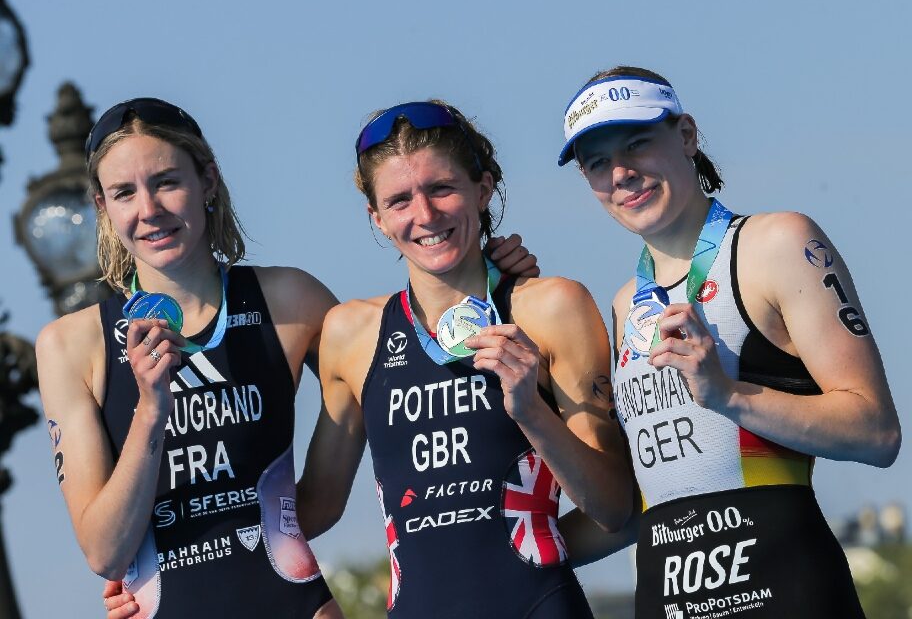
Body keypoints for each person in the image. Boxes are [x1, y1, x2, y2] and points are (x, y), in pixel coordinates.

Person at [42, 98, 535, 619]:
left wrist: (492, 282)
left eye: (167, 181)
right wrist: (151, 410)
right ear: (102, 206)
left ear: (208, 180)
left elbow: (428, 377)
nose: (149, 209)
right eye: (124, 193)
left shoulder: (291, 301)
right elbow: (104, 551)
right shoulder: (73, 344)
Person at [558, 67, 902, 617]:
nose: (621, 172)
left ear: (687, 136)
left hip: (784, 596)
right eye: (598, 162)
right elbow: (645, 505)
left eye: (638, 143)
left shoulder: (778, 242)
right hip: (666, 601)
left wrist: (727, 394)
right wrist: (498, 552)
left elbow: (878, 432)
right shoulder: (628, 303)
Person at [294, 100, 633, 618]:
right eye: (400, 200)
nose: (425, 215)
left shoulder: (551, 308)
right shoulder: (350, 334)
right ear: (377, 218)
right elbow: (311, 509)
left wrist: (530, 411)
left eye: (441, 189)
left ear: (483, 188)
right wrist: (155, 559)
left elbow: (614, 507)